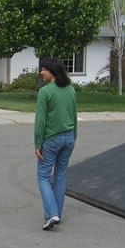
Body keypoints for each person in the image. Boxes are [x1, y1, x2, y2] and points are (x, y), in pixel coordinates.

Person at [34, 56, 77, 231]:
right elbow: (74, 117)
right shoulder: (71, 90)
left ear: (51, 71)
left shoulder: (45, 92)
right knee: (60, 175)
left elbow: (40, 122)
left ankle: (51, 214)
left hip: (51, 140)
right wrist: (74, 137)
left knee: (43, 177)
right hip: (69, 138)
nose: (41, 72)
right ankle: (57, 213)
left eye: (43, 69)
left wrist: (38, 144)